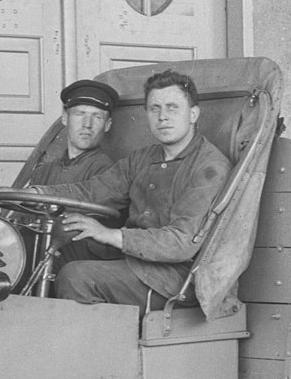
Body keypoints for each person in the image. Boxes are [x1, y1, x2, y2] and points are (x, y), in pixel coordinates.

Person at [52, 71, 233, 307]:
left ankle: (97, 344)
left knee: (77, 277)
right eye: (154, 108)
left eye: (172, 107)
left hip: (178, 279)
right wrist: (38, 193)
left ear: (193, 114)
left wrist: (109, 234)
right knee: (54, 254)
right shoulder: (143, 158)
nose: (162, 117)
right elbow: (94, 190)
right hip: (135, 263)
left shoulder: (210, 167)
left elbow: (181, 242)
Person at [13, 78, 126, 199]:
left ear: (107, 125)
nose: (87, 124)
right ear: (65, 119)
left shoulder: (108, 172)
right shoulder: (44, 172)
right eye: (80, 114)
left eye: (97, 117)